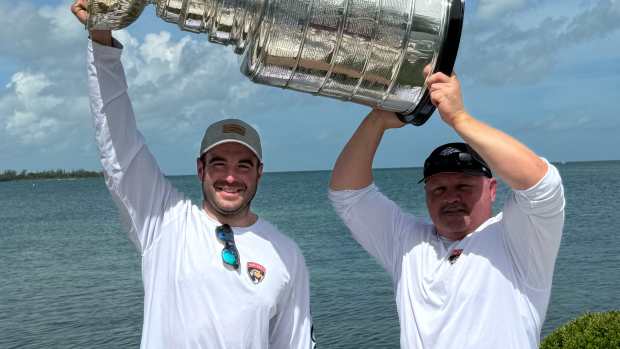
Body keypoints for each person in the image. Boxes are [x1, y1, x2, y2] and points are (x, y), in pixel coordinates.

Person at [71, 1, 315, 348]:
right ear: (200, 168)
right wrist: (101, 33)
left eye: (243, 166)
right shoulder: (165, 224)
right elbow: (119, 148)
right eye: (219, 164)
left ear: (260, 173)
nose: (231, 177)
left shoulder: (287, 255)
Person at [329, 70, 565, 348]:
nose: (451, 197)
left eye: (464, 186)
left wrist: (459, 119)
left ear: (491, 189)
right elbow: (347, 193)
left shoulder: (518, 240)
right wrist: (377, 119)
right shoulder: (406, 244)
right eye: (439, 189)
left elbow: (542, 183)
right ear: (427, 195)